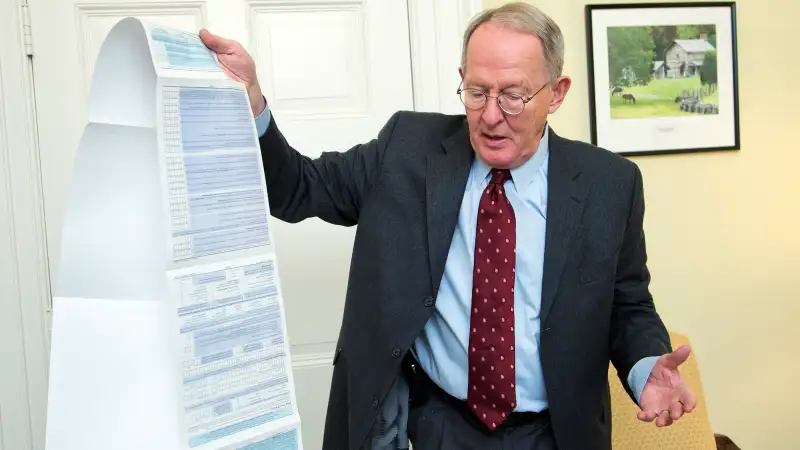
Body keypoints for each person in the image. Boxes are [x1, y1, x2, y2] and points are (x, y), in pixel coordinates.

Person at [200, 2, 696, 449]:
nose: (491, 115)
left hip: (557, 432)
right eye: (477, 91)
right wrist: (253, 105)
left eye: (514, 96)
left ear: (556, 93)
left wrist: (646, 366)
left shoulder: (611, 184)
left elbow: (628, 302)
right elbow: (297, 188)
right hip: (439, 425)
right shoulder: (405, 149)